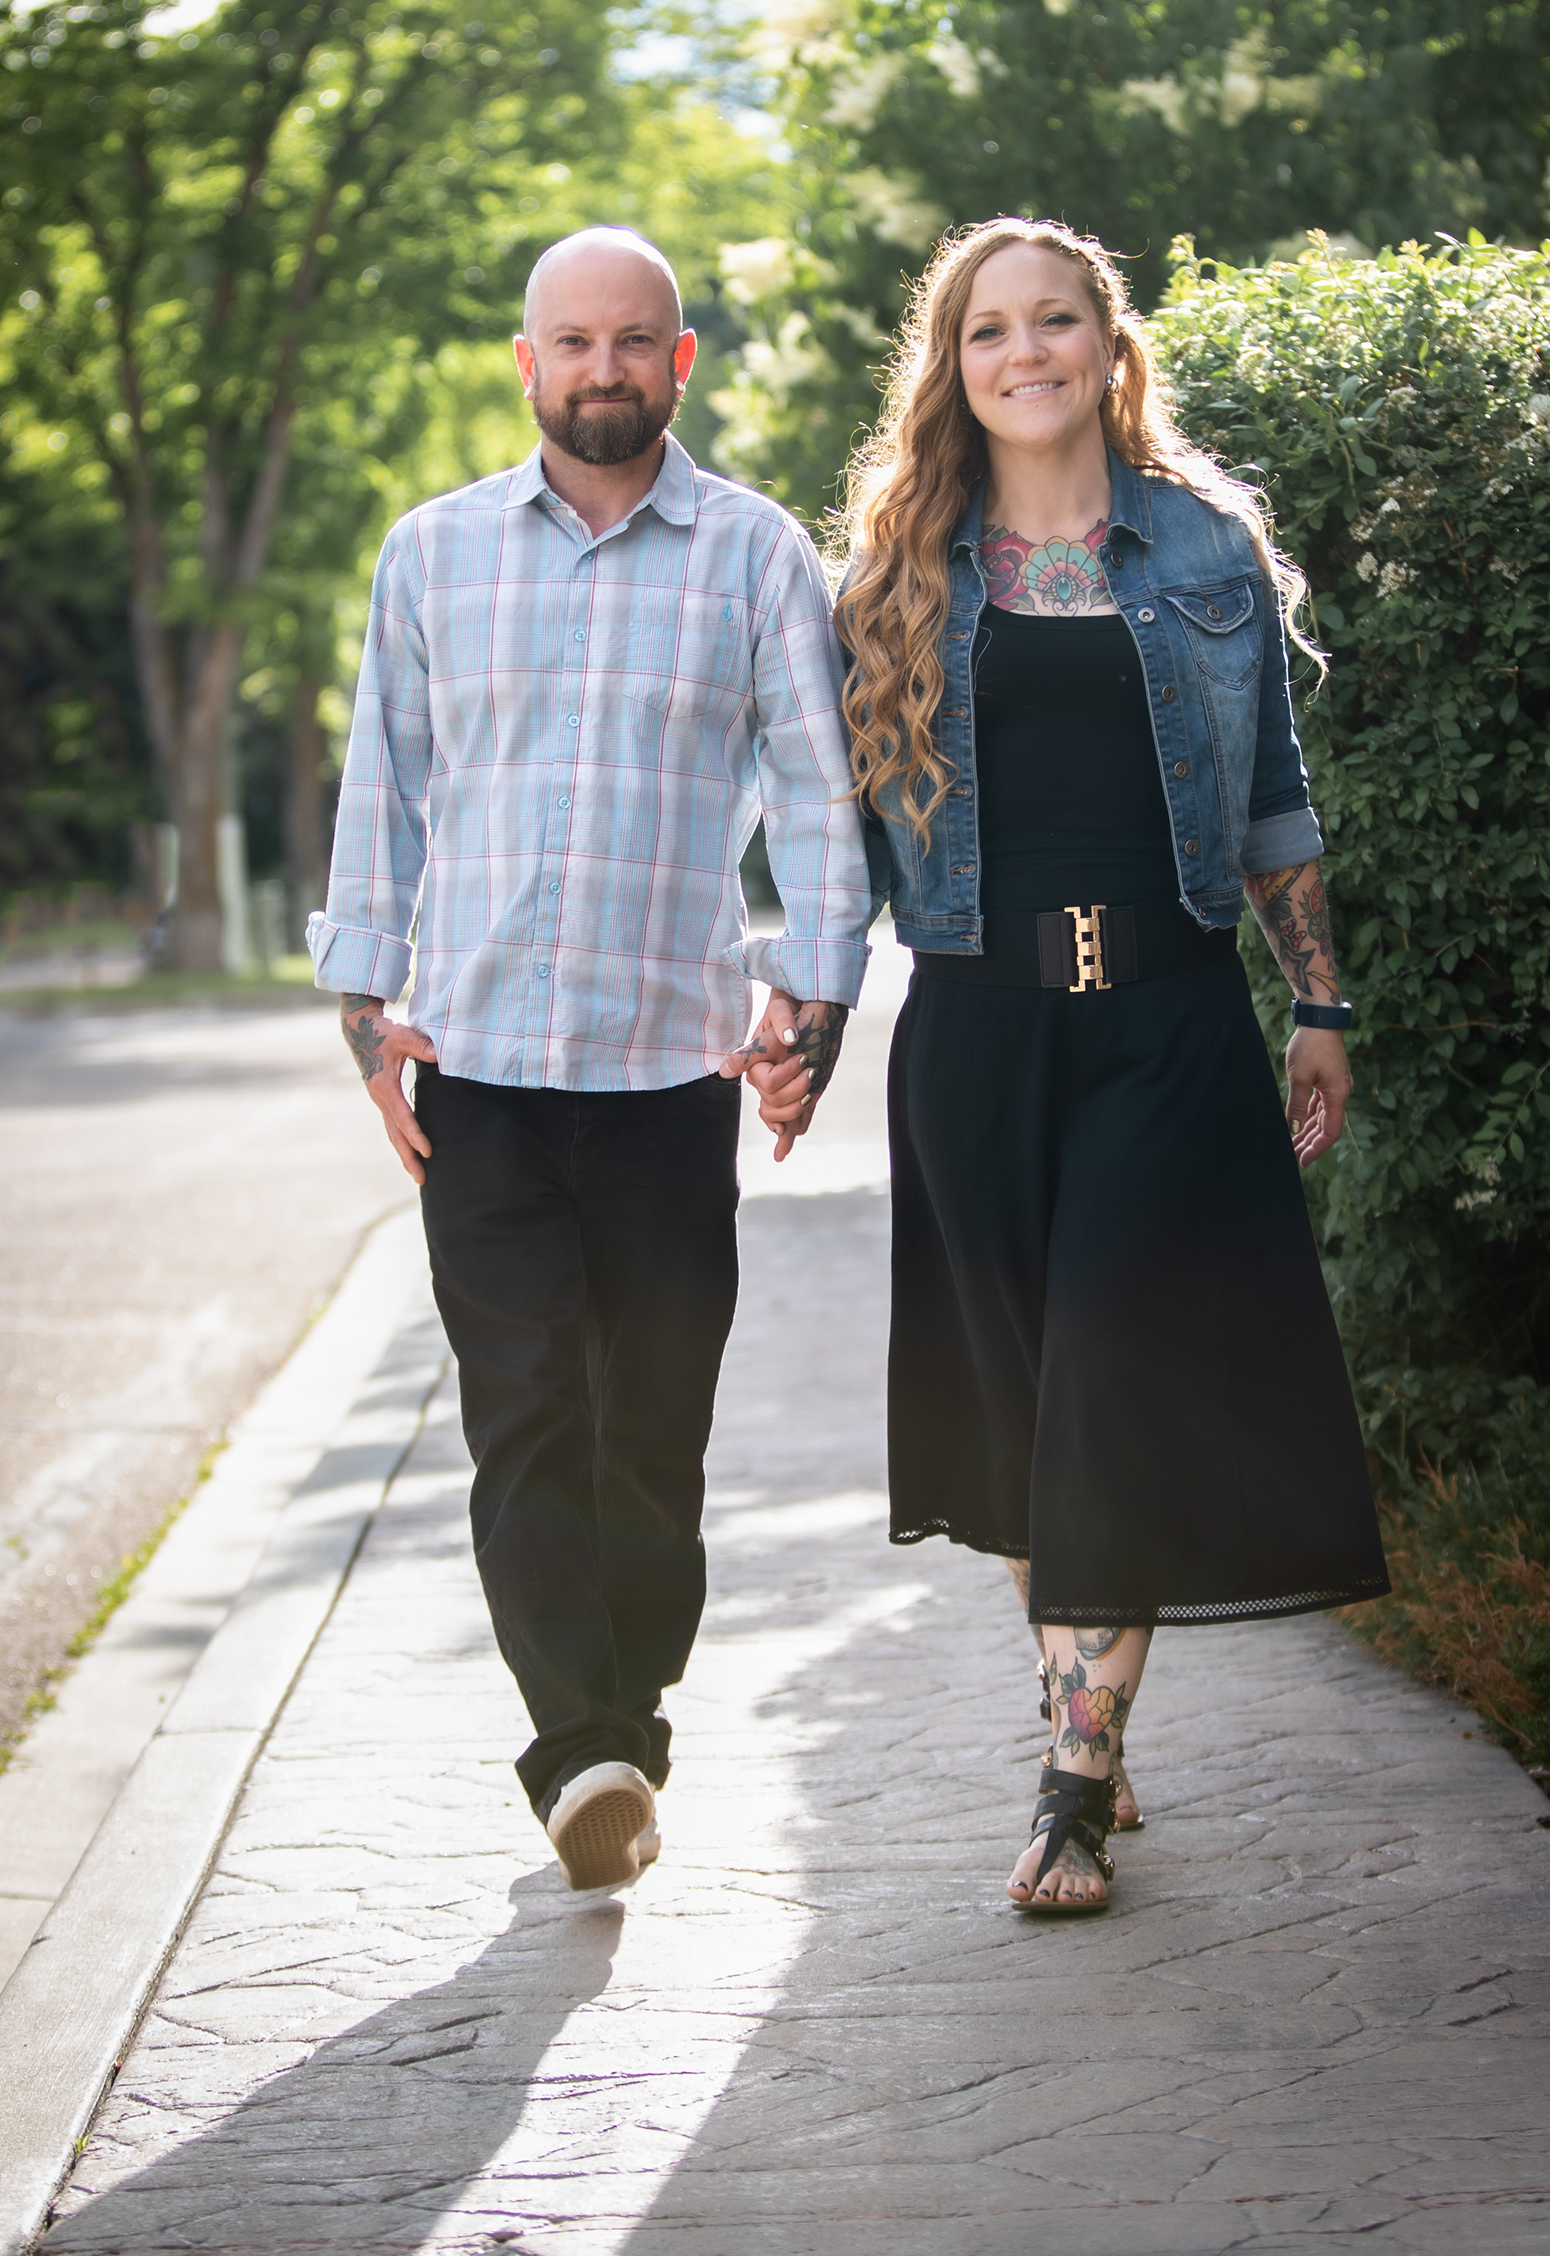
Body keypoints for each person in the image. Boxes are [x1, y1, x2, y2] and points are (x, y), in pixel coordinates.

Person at [837, 216, 1388, 1915]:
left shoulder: (1203, 549)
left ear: (1105, 340)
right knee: (1021, 1423)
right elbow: (830, 825)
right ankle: (1097, 1707)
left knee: (1112, 1390)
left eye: (1054, 320)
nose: (1025, 352)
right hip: (978, 1034)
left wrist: (1317, 1001)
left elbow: (1276, 801)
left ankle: (1069, 1784)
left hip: (1164, 1023)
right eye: (988, 328)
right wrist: (783, 1018)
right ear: (955, 363)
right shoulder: (895, 572)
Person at [309, 227, 867, 1893]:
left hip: (667, 1076)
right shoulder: (433, 556)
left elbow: (825, 801)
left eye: (636, 341)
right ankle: (580, 1747)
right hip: (477, 1071)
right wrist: (362, 1005)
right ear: (527, 360)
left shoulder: (762, 557)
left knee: (653, 1434)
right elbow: (379, 795)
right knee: (526, 1410)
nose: (604, 368)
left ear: (679, 361)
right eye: (575, 341)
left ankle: (630, 1712)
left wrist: (815, 1007)